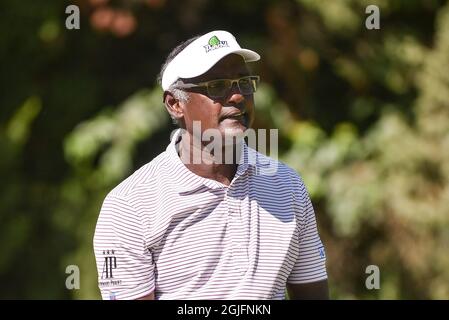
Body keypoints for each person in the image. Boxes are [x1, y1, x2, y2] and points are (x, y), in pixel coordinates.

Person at [93, 30, 329, 300]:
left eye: (244, 82)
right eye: (217, 86)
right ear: (175, 104)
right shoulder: (129, 206)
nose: (238, 97)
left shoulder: (287, 185)